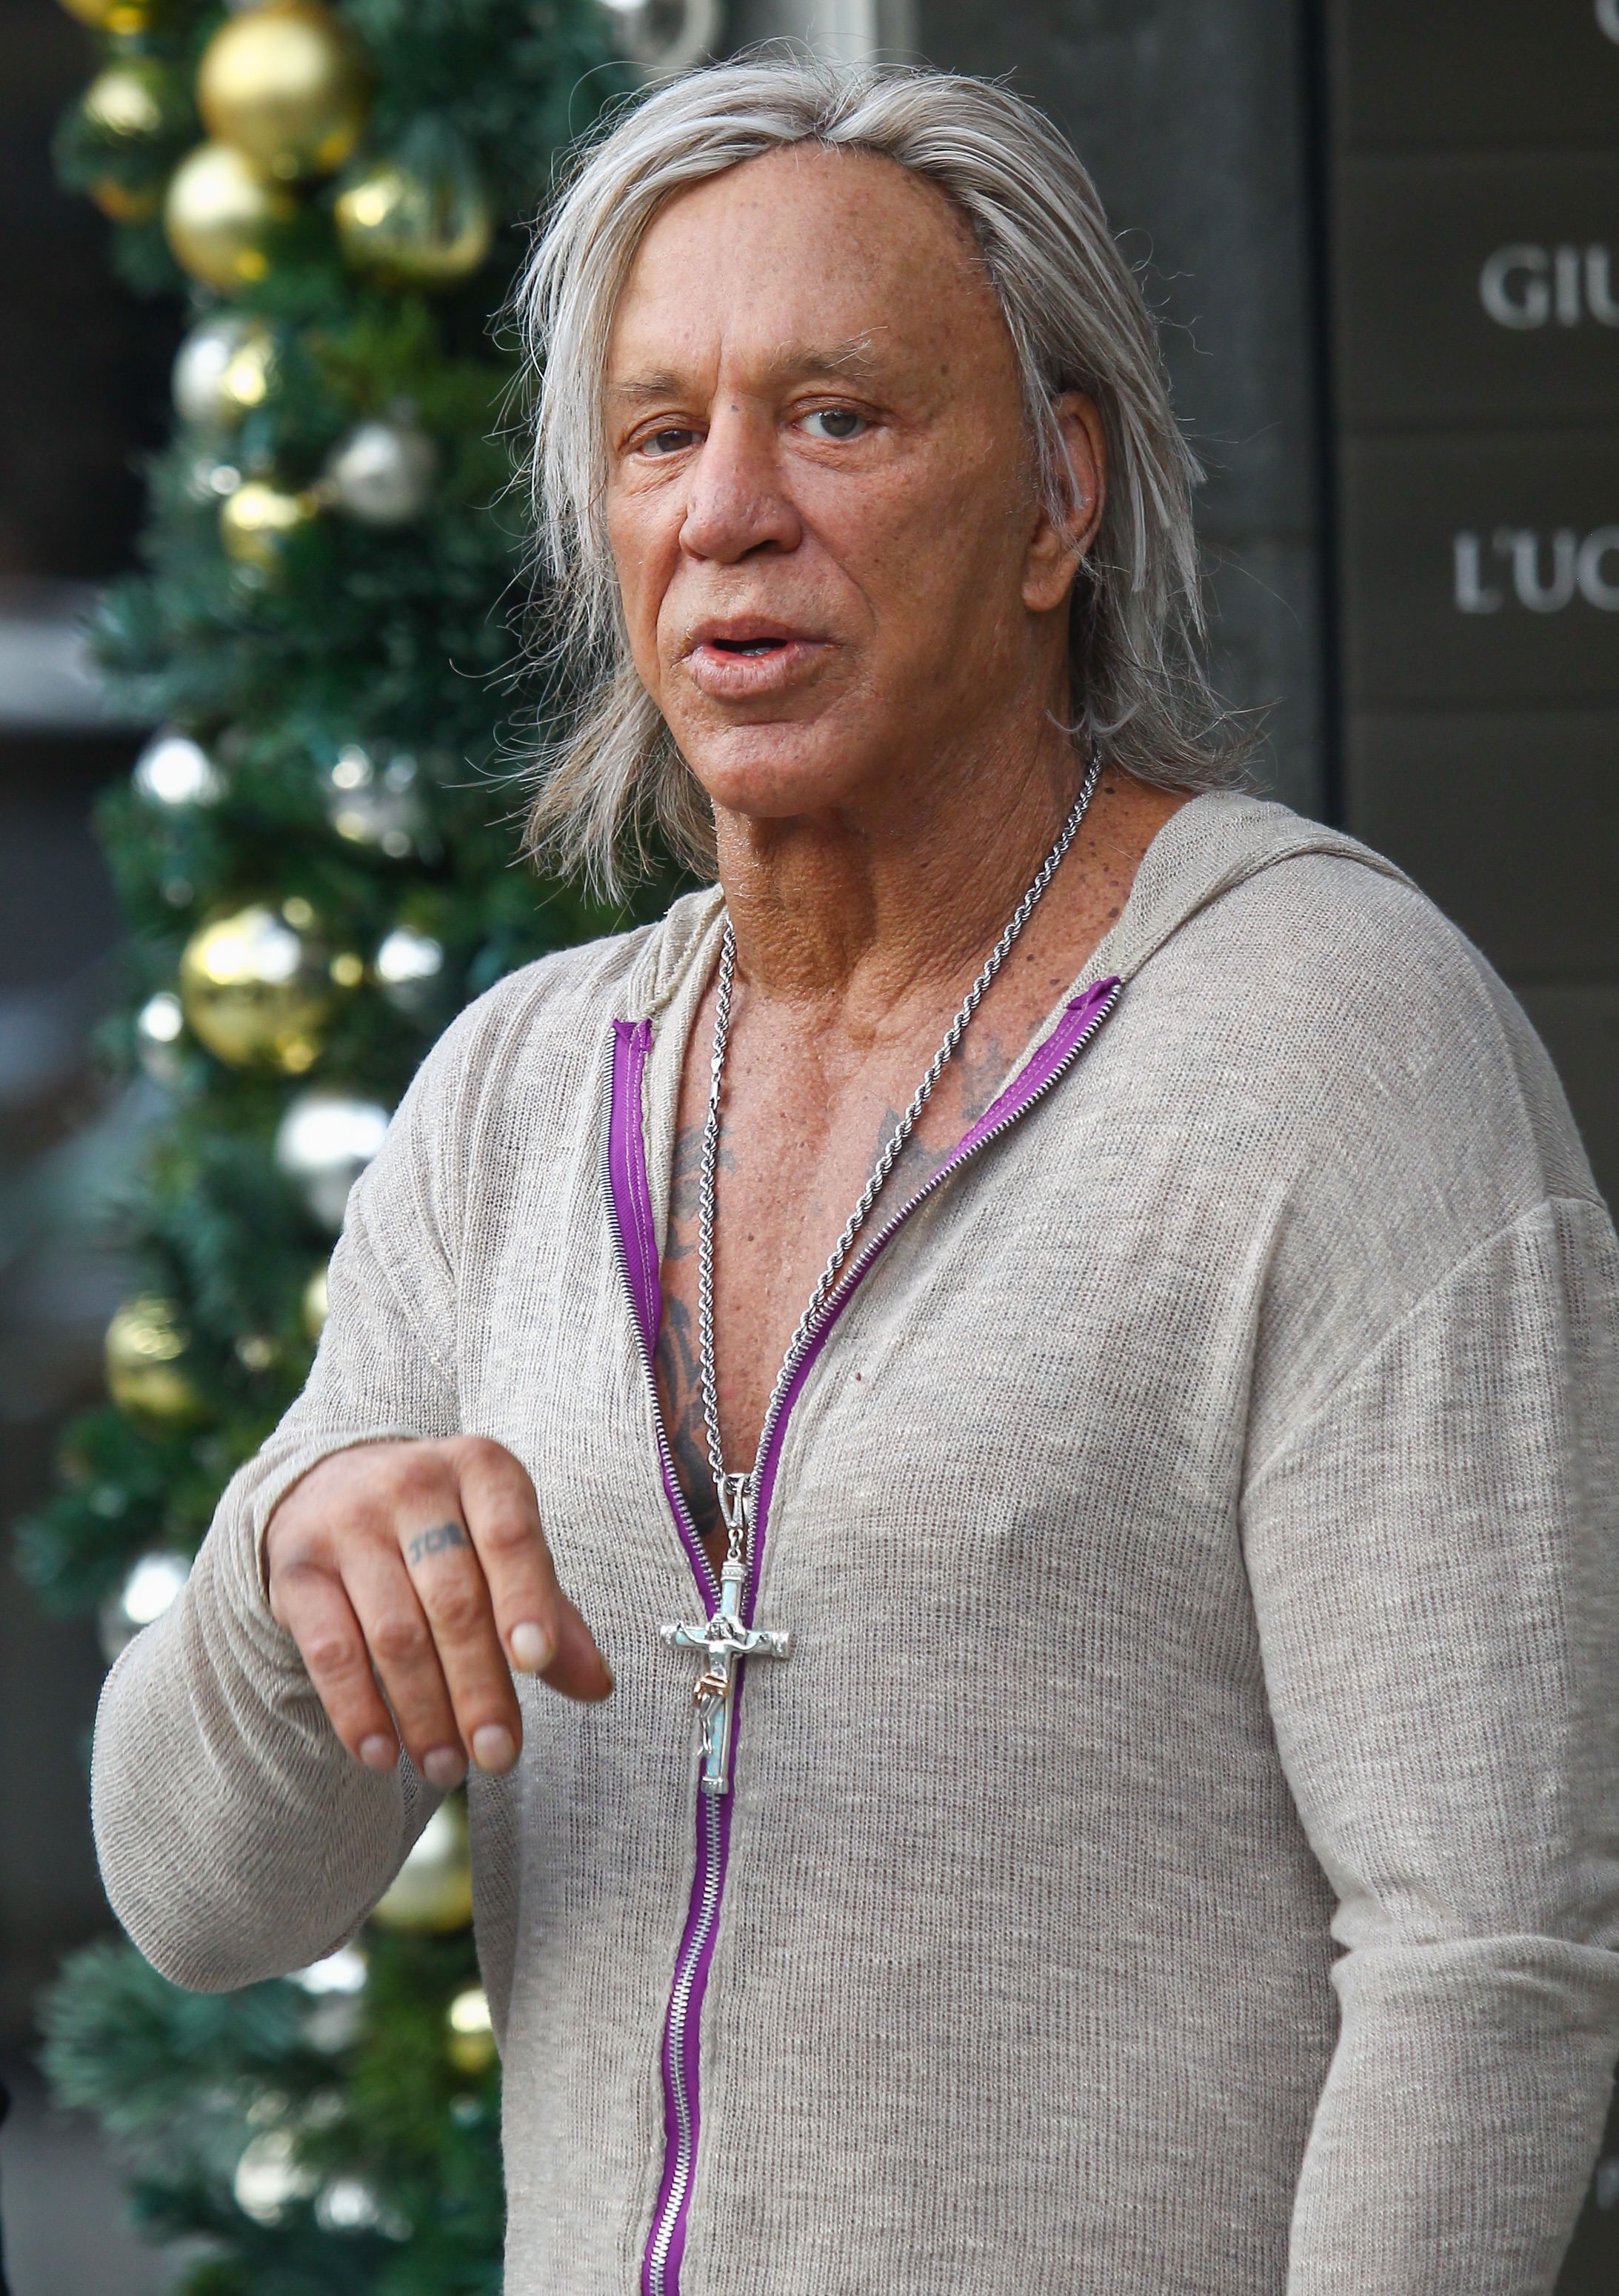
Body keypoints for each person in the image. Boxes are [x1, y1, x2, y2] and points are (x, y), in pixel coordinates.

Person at [92, 57, 1619, 2296]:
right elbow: (200, 1898)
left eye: (837, 417)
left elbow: (1488, 1968)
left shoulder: (1333, 1046)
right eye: (654, 432)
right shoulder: (517, 1094)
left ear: (1052, 500)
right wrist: (277, 1575)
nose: (727, 509)